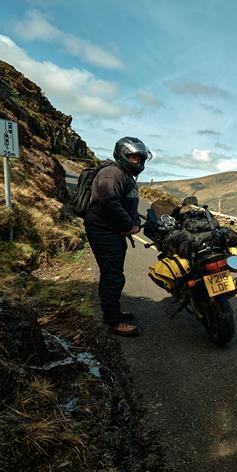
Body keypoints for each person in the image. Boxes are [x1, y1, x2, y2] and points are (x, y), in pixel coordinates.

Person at [84, 136, 152, 336]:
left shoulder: (124, 174)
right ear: (122, 154)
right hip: (103, 231)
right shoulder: (111, 173)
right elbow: (108, 201)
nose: (137, 161)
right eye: (132, 156)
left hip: (112, 232)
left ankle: (114, 312)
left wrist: (136, 222)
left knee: (114, 274)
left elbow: (124, 205)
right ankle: (112, 321)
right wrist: (129, 226)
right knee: (112, 277)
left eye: (140, 158)